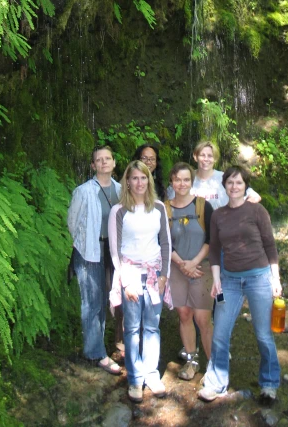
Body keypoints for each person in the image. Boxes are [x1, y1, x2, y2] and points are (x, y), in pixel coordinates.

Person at [198, 166, 282, 403]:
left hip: (259, 279)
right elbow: (214, 250)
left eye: (239, 183)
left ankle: (269, 383)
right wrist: (216, 280)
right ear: (224, 186)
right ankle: (216, 382)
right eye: (230, 183)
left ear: (245, 186)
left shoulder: (257, 211)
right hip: (229, 281)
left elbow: (270, 246)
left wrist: (275, 279)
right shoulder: (218, 215)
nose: (234, 187)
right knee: (220, 332)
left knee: (264, 334)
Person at [108, 160, 172, 403]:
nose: (139, 183)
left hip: (155, 273)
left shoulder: (158, 208)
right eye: (134, 178)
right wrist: (125, 281)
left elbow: (165, 243)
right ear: (127, 182)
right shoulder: (119, 211)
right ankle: (135, 379)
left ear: (149, 180)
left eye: (143, 178)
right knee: (132, 328)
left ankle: (152, 374)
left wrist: (165, 274)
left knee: (152, 326)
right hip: (131, 273)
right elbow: (115, 251)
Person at [67, 146, 122, 375]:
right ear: (93, 166)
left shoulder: (122, 189)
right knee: (92, 302)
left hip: (114, 251)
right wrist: (85, 243)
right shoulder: (83, 191)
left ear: (114, 162)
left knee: (111, 299)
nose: (103, 162)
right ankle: (95, 352)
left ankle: (106, 345)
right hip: (90, 251)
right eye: (98, 160)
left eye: (107, 158)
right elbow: (72, 221)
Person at [165, 162, 213, 381]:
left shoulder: (203, 207)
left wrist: (193, 262)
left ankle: (213, 366)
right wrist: (182, 264)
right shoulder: (164, 209)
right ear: (171, 182)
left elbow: (212, 240)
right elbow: (162, 241)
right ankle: (192, 360)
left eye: (186, 179)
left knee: (203, 318)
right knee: (184, 314)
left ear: (191, 182)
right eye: (177, 179)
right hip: (177, 268)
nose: (181, 184)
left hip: (201, 268)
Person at [167, 140, 262, 209]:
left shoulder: (225, 178)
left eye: (210, 156)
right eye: (202, 155)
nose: (206, 159)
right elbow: (170, 201)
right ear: (195, 157)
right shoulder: (186, 178)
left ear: (215, 159)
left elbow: (254, 196)